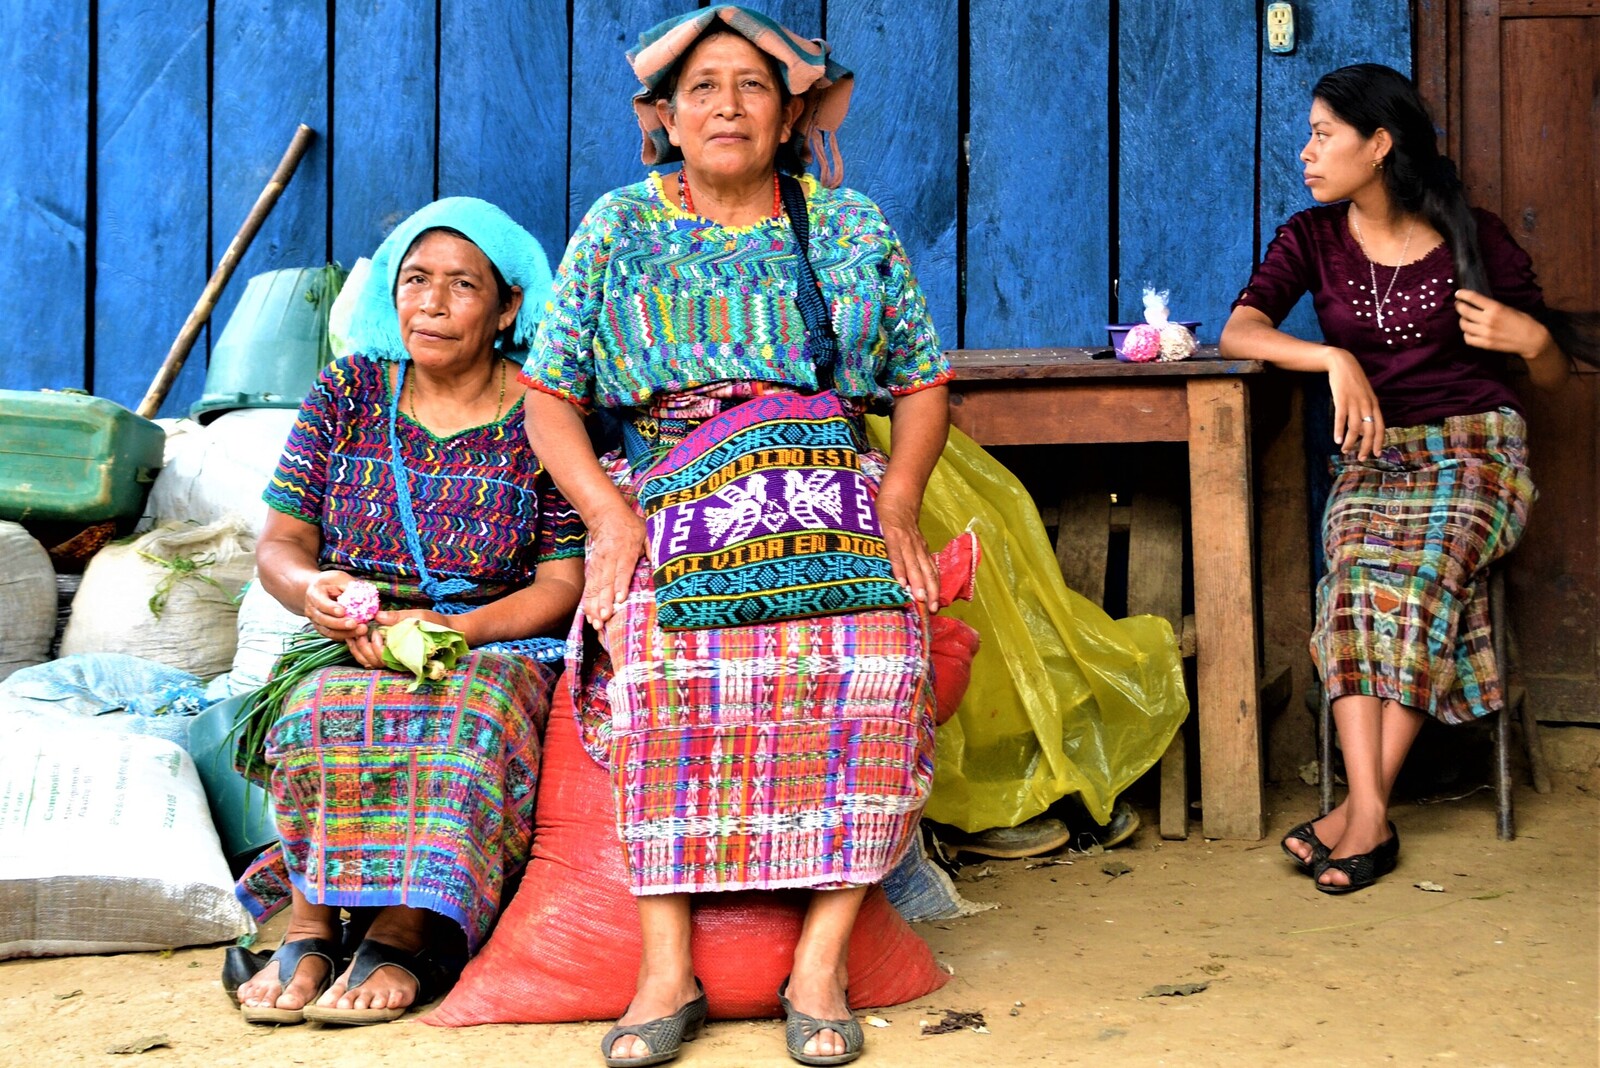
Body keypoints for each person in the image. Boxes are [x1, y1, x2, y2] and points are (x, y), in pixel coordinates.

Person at [520, 7, 949, 1065]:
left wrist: (895, 502)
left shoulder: (848, 227)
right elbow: (546, 395)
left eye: (751, 86)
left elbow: (923, 381)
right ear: (663, 116)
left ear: (789, 111)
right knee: (658, 661)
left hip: (824, 488)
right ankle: (666, 969)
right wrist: (610, 514)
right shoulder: (618, 226)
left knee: (882, 656)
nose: (725, 106)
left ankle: (820, 962)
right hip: (670, 487)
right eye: (701, 88)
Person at [1220, 64, 1580, 894]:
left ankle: (1359, 810)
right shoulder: (1311, 237)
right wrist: (1331, 355)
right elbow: (1241, 330)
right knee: (1348, 582)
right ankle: (1371, 813)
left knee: (1418, 581)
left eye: (1323, 134)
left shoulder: (1472, 236)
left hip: (1475, 456)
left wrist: (1530, 337)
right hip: (1376, 459)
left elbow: (1555, 378)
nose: (1306, 152)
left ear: (1378, 145)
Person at [229, 198, 585, 1024]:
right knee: (318, 708)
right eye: (416, 280)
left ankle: (407, 926)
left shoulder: (542, 412)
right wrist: (311, 592)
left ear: (508, 309)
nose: (431, 302)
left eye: (462, 286)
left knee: (467, 711)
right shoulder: (349, 391)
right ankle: (315, 916)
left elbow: (560, 585)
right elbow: (280, 546)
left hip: (491, 640)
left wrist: (450, 633)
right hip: (349, 632)